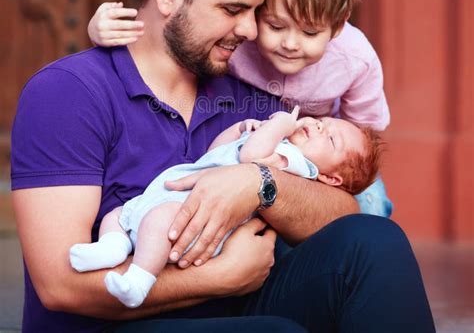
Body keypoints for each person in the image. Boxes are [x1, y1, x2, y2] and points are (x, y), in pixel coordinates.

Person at [11, 0, 435, 333]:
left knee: (375, 241)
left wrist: (259, 185)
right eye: (233, 10)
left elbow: (341, 214)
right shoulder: (68, 92)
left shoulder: (249, 92)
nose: (250, 31)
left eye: (256, 13)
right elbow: (59, 286)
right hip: (116, 323)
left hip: (236, 309)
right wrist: (217, 278)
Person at [88, 0, 393, 217]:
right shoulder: (240, 39)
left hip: (323, 155)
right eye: (275, 26)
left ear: (337, 28)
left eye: (310, 32)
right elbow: (169, 36)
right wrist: (100, 29)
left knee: (369, 204)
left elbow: (361, 135)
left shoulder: (355, 59)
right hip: (259, 147)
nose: (289, 43)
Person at [70, 107, 383, 308]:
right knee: (117, 215)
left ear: (330, 177)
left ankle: (139, 280)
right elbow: (215, 153)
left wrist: (277, 126)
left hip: (191, 215)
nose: (318, 127)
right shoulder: (278, 145)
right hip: (168, 195)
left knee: (157, 222)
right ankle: (111, 247)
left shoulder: (298, 164)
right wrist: (237, 130)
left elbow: (250, 158)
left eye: (331, 140)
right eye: (324, 122)